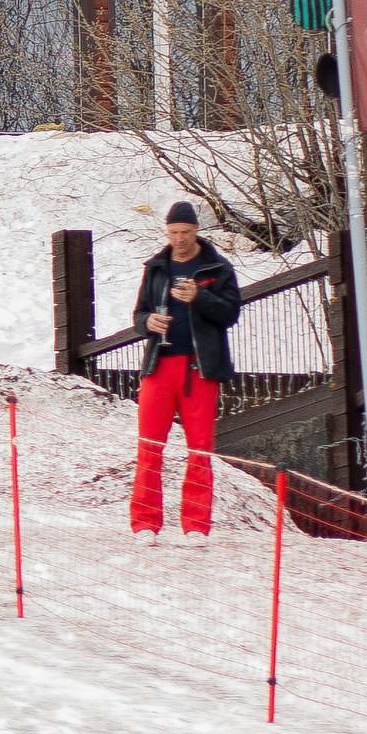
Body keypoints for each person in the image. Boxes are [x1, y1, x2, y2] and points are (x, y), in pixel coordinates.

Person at [130, 201, 242, 542]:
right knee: (149, 445)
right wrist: (147, 322)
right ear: (167, 232)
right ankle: (145, 523)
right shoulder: (156, 268)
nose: (179, 238)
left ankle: (195, 525)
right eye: (174, 232)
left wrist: (200, 298)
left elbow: (230, 313)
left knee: (200, 448)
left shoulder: (218, 267)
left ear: (197, 231)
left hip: (199, 368)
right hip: (159, 365)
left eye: (186, 232)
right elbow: (138, 315)